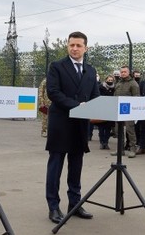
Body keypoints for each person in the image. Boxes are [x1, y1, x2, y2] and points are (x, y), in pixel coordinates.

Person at [44, 31, 100, 224]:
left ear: (86, 48)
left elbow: (95, 96)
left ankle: (75, 204)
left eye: (78, 45)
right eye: (71, 45)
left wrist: (94, 109)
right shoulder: (57, 67)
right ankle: (53, 206)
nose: (74, 48)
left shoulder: (91, 71)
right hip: (61, 123)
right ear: (67, 46)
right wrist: (76, 106)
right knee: (56, 166)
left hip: (80, 125)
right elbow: (53, 92)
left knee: (76, 166)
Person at [112, 65, 139, 158]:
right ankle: (120, 149)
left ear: (128, 73)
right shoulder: (118, 83)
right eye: (121, 72)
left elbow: (136, 98)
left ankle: (132, 149)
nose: (123, 73)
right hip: (118, 110)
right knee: (118, 130)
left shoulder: (133, 84)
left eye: (125, 72)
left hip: (128, 110)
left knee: (130, 130)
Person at [97, 75, 116, 150]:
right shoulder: (101, 87)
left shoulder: (114, 88)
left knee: (108, 128)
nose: (110, 81)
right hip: (102, 109)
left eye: (111, 80)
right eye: (109, 80)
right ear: (106, 80)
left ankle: (106, 142)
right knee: (101, 128)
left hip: (110, 110)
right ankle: (101, 142)